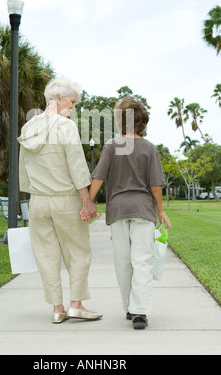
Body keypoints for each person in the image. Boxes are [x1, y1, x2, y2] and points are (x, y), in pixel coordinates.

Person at [18, 77, 102, 324]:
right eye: (73, 102)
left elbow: (23, 169)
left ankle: (57, 308)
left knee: (46, 256)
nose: (74, 108)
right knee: (78, 251)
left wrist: (31, 195)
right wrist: (87, 202)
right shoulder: (65, 127)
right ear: (57, 98)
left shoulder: (27, 128)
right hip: (65, 199)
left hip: (38, 202)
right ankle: (76, 304)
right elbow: (77, 167)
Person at [88, 96, 172, 330]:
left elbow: (98, 177)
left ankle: (130, 307)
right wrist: (161, 211)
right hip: (143, 211)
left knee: (123, 262)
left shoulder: (111, 145)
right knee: (142, 261)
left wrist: (87, 203)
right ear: (141, 122)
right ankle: (140, 312)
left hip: (117, 210)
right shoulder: (149, 147)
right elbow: (155, 185)